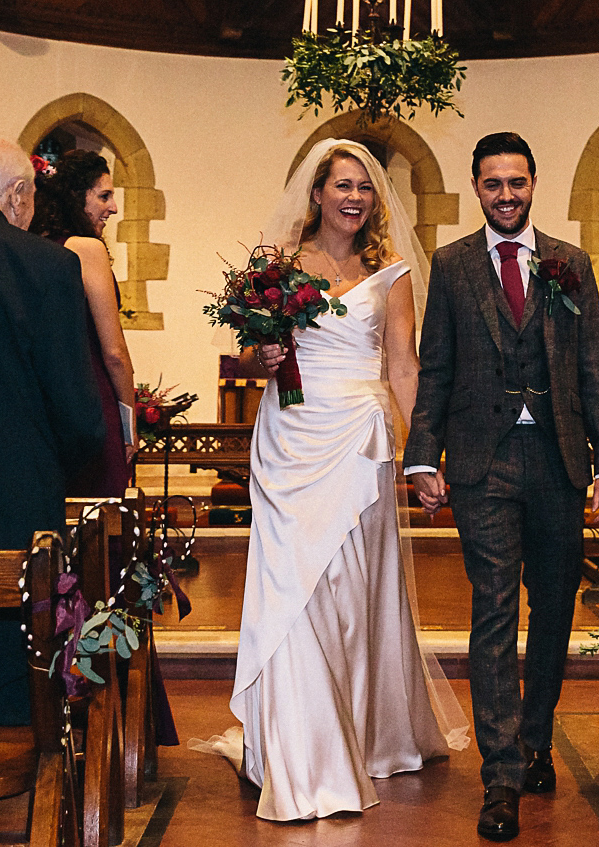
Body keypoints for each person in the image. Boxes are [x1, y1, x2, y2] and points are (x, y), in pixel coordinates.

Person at [190, 139, 468, 821]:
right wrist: (262, 354)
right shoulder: (276, 266)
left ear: (376, 200)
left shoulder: (394, 273)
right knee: (293, 590)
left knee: (350, 593)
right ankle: (301, 750)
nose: (353, 197)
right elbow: (257, 357)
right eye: (341, 185)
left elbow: (403, 367)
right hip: (289, 438)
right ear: (316, 194)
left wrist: (426, 453)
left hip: (359, 444)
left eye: (365, 187)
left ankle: (362, 734)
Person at [404, 131, 599, 842]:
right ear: (477, 188)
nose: (507, 194)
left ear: (534, 184)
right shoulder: (453, 264)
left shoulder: (571, 264)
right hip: (482, 463)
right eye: (493, 183)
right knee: (494, 610)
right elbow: (433, 366)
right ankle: (499, 776)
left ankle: (535, 739)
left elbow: (595, 369)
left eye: (517, 182)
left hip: (559, 458)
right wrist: (421, 457)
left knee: (556, 606)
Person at [0, 137, 105, 724]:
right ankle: (22, 778)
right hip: (12, 495)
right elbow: (77, 409)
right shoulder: (47, 265)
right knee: (15, 660)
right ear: (17, 194)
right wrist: (59, 466)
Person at [30, 150, 135, 496]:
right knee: (103, 518)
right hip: (92, 400)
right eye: (104, 195)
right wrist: (130, 425)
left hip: (45, 405)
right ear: (77, 196)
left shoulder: (34, 246)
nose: (114, 207)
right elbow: (115, 353)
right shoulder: (87, 248)